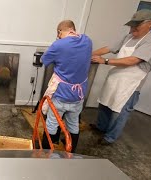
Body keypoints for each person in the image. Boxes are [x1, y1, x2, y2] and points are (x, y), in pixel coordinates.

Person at [91, 9, 151, 145]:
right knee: (105, 104)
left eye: (137, 25)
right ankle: (101, 127)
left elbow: (133, 60)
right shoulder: (129, 36)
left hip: (130, 83)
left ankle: (110, 137)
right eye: (132, 25)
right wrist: (87, 54)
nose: (133, 28)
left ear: (150, 24)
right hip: (115, 77)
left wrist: (104, 61)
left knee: (120, 111)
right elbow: (109, 48)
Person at [41, 20, 92, 153]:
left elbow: (44, 60)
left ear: (60, 31)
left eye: (58, 34)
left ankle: (46, 151)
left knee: (52, 122)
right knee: (73, 123)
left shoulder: (58, 44)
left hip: (61, 95)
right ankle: (71, 151)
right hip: (78, 96)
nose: (58, 37)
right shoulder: (87, 41)